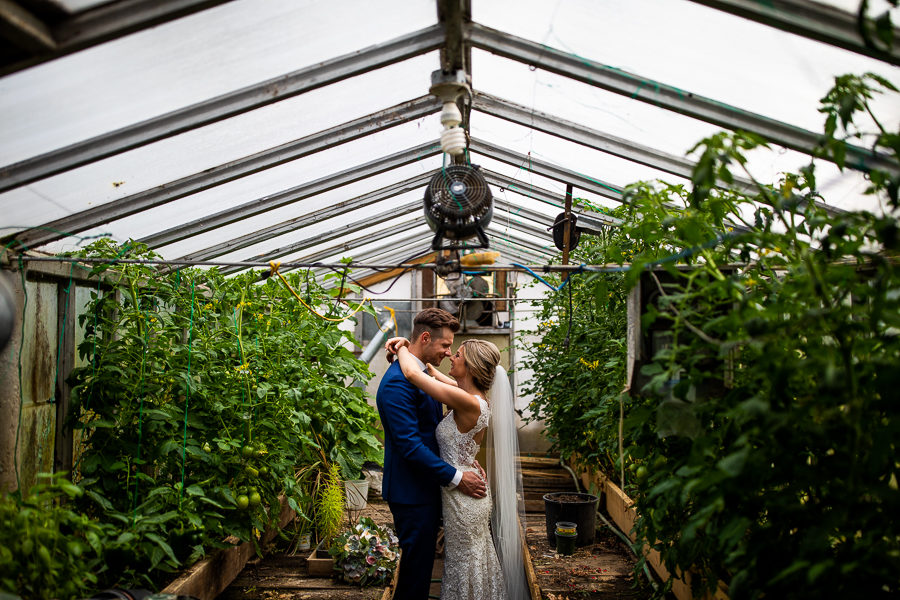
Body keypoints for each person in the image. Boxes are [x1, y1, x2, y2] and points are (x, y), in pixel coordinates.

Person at [384, 334, 529, 600]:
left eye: (458, 354)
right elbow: (429, 373)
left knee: (465, 564)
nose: (452, 356)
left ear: (471, 366)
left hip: (464, 500)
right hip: (463, 489)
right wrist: (411, 348)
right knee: (471, 561)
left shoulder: (469, 402)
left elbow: (413, 375)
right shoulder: (469, 395)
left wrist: (403, 346)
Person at [375, 308, 487, 600]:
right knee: (414, 574)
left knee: (423, 568)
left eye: (453, 349)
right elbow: (411, 447)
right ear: (425, 338)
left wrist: (402, 346)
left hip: (427, 487)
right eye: (446, 345)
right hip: (411, 493)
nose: (449, 353)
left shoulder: (419, 371)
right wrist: (458, 477)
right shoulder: (398, 383)